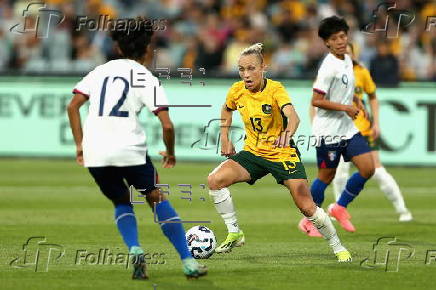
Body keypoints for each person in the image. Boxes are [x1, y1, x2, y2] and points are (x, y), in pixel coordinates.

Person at [67, 17, 207, 280]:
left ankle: (134, 249)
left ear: (118, 47)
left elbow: (72, 106)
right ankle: (188, 262)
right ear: (146, 49)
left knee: (121, 200)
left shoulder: (99, 71)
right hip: (130, 150)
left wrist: (79, 145)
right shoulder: (145, 77)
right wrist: (171, 151)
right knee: (155, 197)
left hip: (95, 152)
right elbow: (166, 125)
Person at [207, 42, 352, 262]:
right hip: (253, 153)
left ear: (263, 67)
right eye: (241, 69)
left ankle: (337, 246)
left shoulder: (275, 89)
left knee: (306, 205)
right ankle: (235, 232)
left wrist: (287, 133)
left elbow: (293, 116)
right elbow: (226, 109)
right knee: (215, 180)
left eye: (251, 68)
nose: (246, 74)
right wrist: (225, 139)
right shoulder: (237, 90)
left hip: (282, 154)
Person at [299, 16, 375, 236]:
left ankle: (339, 207)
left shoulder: (347, 59)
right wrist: (346, 108)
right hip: (328, 131)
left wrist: (356, 101)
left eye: (343, 36)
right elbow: (316, 100)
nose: (341, 41)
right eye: (335, 38)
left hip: (346, 128)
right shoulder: (328, 68)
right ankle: (309, 219)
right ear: (327, 43)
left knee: (368, 167)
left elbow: (346, 90)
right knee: (326, 176)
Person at [331, 43, 412, 222]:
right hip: (342, 130)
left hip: (363, 129)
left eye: (348, 52)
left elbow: (373, 98)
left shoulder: (361, 72)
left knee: (378, 170)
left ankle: (402, 208)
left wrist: (376, 123)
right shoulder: (332, 74)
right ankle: (339, 208)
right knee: (340, 172)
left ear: (353, 54)